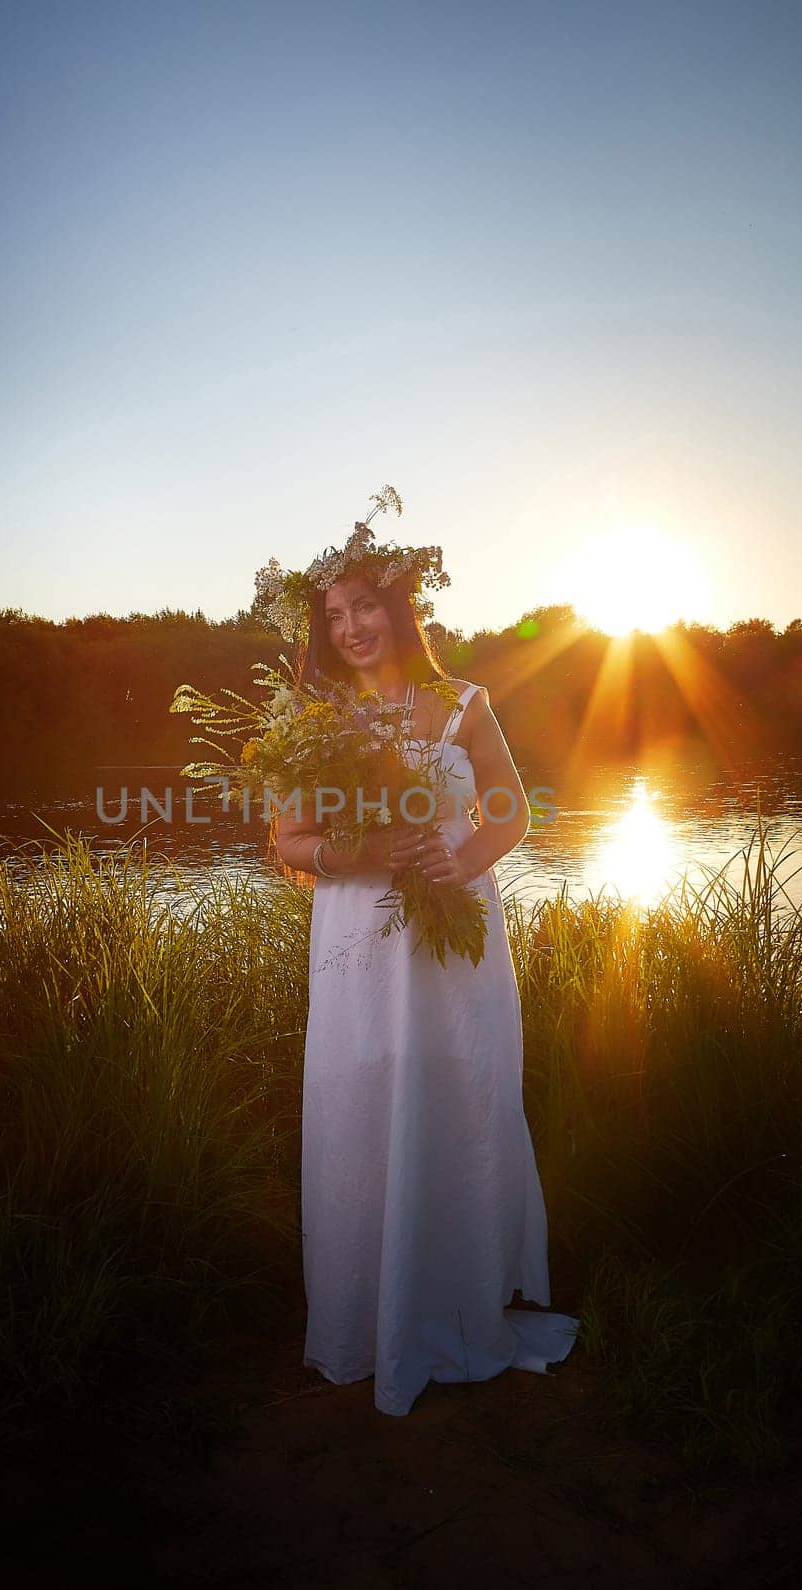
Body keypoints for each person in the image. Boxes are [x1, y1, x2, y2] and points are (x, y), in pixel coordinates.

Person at [260, 513, 579, 1417]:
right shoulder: (309, 722)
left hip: (453, 939)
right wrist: (356, 853)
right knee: (364, 1096)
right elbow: (288, 839)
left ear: (399, 613)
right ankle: (370, 1318)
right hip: (360, 937)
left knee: (458, 1091)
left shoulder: (463, 703)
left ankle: (463, 1303)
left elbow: (511, 813)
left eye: (365, 606)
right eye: (332, 614)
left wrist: (462, 859)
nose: (350, 626)